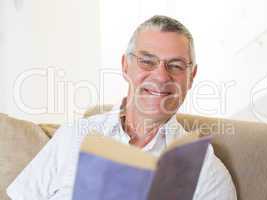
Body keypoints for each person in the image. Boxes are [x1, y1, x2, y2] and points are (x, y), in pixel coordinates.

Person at [7, 15, 237, 200]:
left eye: (175, 65)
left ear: (191, 75)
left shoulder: (205, 172)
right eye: (147, 61)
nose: (160, 76)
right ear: (126, 66)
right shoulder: (72, 137)